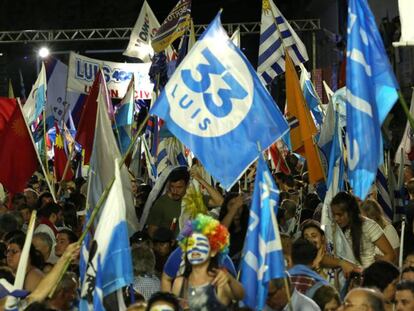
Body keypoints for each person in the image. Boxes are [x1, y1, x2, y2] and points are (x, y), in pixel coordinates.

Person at [171, 214, 242, 310]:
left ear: (213, 252)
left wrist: (229, 279)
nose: (194, 248)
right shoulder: (179, 283)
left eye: (200, 243)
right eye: (191, 244)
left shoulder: (220, 283)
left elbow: (241, 296)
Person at [330, 192, 395, 268]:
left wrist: (371, 272)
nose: (336, 218)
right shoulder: (336, 229)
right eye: (334, 215)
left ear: (350, 212)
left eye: (340, 215)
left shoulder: (368, 226)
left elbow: (391, 255)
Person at [219, 192, 249, 268]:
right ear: (225, 207)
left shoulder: (249, 227)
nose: (236, 209)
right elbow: (219, 233)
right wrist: (235, 206)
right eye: (231, 205)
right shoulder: (220, 224)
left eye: (239, 206)